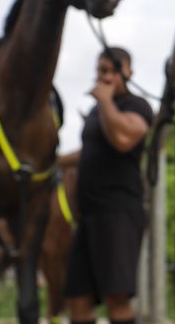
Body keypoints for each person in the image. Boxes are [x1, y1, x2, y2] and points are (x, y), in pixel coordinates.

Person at [63, 47, 153, 324]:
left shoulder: (136, 105)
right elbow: (89, 151)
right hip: (88, 216)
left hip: (118, 213)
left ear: (128, 72)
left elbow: (123, 139)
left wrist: (104, 102)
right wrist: (49, 162)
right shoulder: (95, 113)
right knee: (77, 299)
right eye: (102, 70)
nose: (106, 76)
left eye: (113, 70)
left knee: (117, 298)